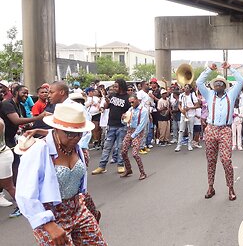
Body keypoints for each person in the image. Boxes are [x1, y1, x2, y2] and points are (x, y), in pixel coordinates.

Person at [15, 103, 106, 245]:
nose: (75, 138)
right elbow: (24, 193)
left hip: (78, 209)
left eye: (79, 133)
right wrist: (48, 224)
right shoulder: (39, 150)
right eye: (70, 133)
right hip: (51, 215)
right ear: (57, 129)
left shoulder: (76, 148)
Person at [197, 62, 243, 201]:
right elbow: (199, 82)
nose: (217, 84)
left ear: (224, 86)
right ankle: (210, 187)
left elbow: (240, 80)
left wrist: (230, 68)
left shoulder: (231, 94)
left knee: (226, 159)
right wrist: (209, 70)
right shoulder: (209, 94)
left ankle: (231, 188)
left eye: (220, 83)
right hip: (211, 129)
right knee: (211, 160)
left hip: (225, 130)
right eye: (215, 83)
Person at [92, 79, 130, 175]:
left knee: (119, 146)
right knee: (107, 146)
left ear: (121, 86)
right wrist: (107, 102)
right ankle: (102, 166)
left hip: (122, 126)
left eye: (116, 86)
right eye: (114, 86)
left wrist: (126, 114)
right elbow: (105, 107)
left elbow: (130, 110)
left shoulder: (127, 98)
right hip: (111, 124)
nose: (114, 88)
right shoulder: (112, 95)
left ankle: (120, 165)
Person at [120, 94, 148, 180]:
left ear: (137, 100)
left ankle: (142, 172)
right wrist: (123, 119)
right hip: (130, 131)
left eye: (132, 102)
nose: (131, 104)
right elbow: (125, 122)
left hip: (138, 132)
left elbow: (142, 125)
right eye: (130, 102)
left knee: (135, 153)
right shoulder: (130, 110)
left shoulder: (144, 110)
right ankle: (128, 170)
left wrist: (133, 135)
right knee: (123, 152)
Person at [175, 83, 199, 152]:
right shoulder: (181, 95)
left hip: (191, 114)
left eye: (187, 88)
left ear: (190, 89)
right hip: (183, 114)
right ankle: (179, 145)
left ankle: (189, 144)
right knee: (181, 130)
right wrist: (181, 110)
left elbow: (197, 105)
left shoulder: (193, 95)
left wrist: (190, 108)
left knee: (190, 130)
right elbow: (179, 104)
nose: (186, 89)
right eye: (185, 87)